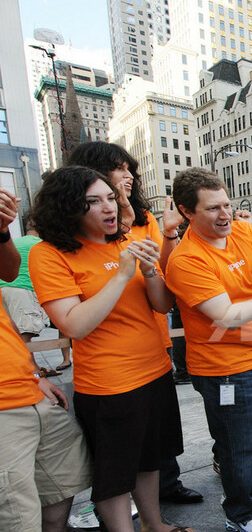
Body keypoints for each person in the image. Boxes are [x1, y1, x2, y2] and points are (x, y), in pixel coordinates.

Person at [29, 167, 196, 532]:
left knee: (150, 459)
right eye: (94, 201)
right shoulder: (49, 254)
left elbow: (161, 306)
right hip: (109, 383)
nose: (109, 208)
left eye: (110, 197)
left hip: (154, 370)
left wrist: (150, 270)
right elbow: (74, 325)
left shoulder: (125, 241)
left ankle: (153, 525)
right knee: (115, 472)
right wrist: (122, 273)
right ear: (68, 207)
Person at [165, 168, 252, 532]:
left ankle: (251, 487)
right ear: (187, 211)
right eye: (213, 208)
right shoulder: (186, 260)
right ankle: (239, 511)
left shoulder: (243, 231)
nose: (225, 214)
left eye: (226, 204)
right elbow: (226, 316)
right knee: (235, 443)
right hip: (222, 368)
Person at [0, 188, 107, 532]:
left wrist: (33, 373)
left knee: (63, 473)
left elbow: (7, 273)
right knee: (5, 497)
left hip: (24, 385)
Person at [67, 142, 201, 505]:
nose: (128, 176)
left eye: (130, 169)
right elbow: (73, 321)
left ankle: (163, 495)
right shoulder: (65, 247)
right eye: (119, 168)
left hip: (154, 346)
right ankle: (119, 516)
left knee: (156, 443)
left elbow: (163, 279)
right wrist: (124, 270)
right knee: (119, 456)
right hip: (110, 370)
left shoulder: (142, 219)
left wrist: (168, 236)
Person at [0, 222, 71, 375]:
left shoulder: (14, 242)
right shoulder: (42, 246)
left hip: (3, 289)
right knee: (26, 332)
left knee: (15, 331)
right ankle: (34, 370)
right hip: (23, 289)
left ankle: (34, 368)